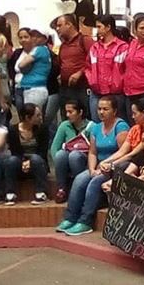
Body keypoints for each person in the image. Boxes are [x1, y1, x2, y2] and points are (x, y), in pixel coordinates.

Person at [57, 95, 129, 236]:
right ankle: (70, 217)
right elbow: (92, 152)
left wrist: (109, 164)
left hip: (116, 166)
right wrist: (91, 169)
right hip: (98, 166)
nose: (101, 112)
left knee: (94, 183)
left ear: (114, 111)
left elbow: (124, 151)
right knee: (80, 180)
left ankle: (85, 221)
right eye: (99, 109)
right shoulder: (96, 128)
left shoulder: (121, 126)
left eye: (105, 109)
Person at [101, 98, 144, 172]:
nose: (132, 116)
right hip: (134, 163)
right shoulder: (135, 129)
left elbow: (132, 155)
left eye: (134, 113)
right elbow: (122, 151)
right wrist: (104, 162)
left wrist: (112, 165)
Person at [86, 14, 128, 122]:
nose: (97, 30)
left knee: (118, 125)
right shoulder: (94, 47)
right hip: (96, 93)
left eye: (99, 27)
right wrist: (92, 81)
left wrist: (120, 83)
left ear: (108, 27)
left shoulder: (123, 47)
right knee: (96, 125)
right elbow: (87, 66)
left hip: (116, 94)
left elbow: (128, 68)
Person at [6, 103, 50, 205]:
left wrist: (30, 162)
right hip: (20, 162)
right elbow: (14, 151)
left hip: (38, 163)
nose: (40, 117)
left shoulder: (43, 128)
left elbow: (42, 151)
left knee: (36, 158)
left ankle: (41, 192)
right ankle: (10, 193)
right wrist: (23, 162)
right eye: (37, 115)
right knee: (11, 160)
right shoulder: (13, 130)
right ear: (28, 118)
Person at [50, 99, 92, 203]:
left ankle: (79, 189)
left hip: (84, 160)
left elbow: (94, 149)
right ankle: (61, 190)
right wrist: (59, 163)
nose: (68, 115)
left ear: (80, 112)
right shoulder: (64, 125)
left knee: (74, 156)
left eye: (71, 112)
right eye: (66, 112)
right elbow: (54, 148)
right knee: (60, 154)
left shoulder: (92, 127)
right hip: (66, 160)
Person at [55, 13, 95, 116]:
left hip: (81, 88)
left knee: (82, 117)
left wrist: (80, 73)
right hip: (65, 89)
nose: (57, 29)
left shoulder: (85, 40)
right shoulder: (63, 45)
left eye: (60, 25)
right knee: (66, 118)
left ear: (69, 24)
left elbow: (94, 61)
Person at [14, 27, 52, 110]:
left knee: (31, 118)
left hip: (34, 89)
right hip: (31, 88)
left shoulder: (39, 49)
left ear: (45, 39)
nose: (34, 38)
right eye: (33, 36)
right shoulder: (44, 50)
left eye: (38, 36)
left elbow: (21, 65)